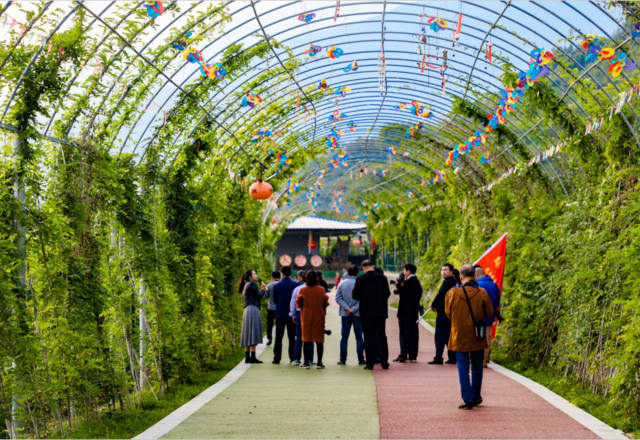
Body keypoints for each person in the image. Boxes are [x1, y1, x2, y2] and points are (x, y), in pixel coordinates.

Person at [445, 264, 494, 409]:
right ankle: (477, 395)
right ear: (474, 276)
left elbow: (448, 313)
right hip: (477, 335)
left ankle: (467, 398)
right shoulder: (482, 292)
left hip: (459, 335)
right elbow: (489, 312)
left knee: (463, 367)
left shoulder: (452, 293)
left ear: (460, 276)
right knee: (477, 367)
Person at [352, 259, 391, 370]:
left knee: (369, 338)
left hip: (366, 313)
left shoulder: (360, 279)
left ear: (364, 268)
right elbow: (387, 293)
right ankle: (384, 362)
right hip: (380, 312)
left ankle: (370, 363)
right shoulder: (382, 278)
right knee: (381, 336)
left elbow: (355, 295)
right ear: (372, 267)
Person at [297, 271, 330, 369]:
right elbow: (325, 302)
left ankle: (306, 362)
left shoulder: (303, 290)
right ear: (316, 278)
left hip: (306, 316)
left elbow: (298, 303)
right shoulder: (321, 289)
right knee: (319, 339)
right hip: (319, 315)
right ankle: (319, 362)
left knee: (306, 339)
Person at [335, 265, 365, 365]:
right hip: (357, 314)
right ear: (357, 273)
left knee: (344, 338)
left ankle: (342, 359)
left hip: (345, 314)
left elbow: (338, 298)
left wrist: (347, 308)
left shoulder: (342, 283)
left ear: (347, 273)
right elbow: (363, 299)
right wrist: (354, 309)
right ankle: (361, 359)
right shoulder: (360, 283)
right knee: (359, 338)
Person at [429, 263, 458, 365]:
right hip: (450, 313)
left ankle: (438, 357)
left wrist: (433, 304)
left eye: (446, 270)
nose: (443, 272)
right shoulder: (454, 282)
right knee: (448, 335)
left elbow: (440, 294)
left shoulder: (448, 282)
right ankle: (452, 357)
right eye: (442, 270)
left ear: (451, 271)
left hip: (444, 313)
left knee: (440, 335)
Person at [394, 264, 423, 363]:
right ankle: (412, 354)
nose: (404, 272)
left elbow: (403, 294)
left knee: (404, 333)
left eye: (404, 270)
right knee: (413, 334)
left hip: (405, 313)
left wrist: (398, 285)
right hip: (413, 312)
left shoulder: (409, 282)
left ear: (408, 271)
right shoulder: (417, 282)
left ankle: (403, 354)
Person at [239, 269, 266, 364]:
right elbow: (259, 296)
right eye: (255, 274)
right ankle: (253, 357)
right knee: (253, 331)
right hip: (253, 309)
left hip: (247, 310)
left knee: (248, 332)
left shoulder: (246, 285)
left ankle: (247, 357)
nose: (256, 275)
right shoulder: (252, 285)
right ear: (250, 276)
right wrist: (263, 289)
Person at [474, 265, 500, 367]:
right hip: (490, 315)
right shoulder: (494, 284)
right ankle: (485, 360)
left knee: (476, 337)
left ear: (476, 275)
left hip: (478, 315)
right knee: (487, 337)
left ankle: (476, 360)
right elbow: (497, 302)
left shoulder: (477, 285)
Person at [272, 266, 298, 364]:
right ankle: (292, 357)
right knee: (292, 337)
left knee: (279, 337)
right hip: (292, 315)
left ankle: (277, 358)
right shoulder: (295, 285)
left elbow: (275, 300)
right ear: (290, 274)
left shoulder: (277, 286)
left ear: (281, 274)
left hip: (280, 314)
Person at [290, 270, 308, 365]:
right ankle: (309, 359)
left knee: (299, 337)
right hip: (310, 314)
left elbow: (293, 303)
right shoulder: (317, 289)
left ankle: (297, 359)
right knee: (310, 338)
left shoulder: (297, 289)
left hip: (299, 313)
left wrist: (292, 314)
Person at [264, 270, 281, 345]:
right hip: (279, 308)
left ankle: (269, 339)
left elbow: (265, 296)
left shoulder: (269, 285)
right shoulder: (281, 285)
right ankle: (279, 340)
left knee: (270, 324)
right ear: (280, 277)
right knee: (279, 325)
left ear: (272, 277)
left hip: (270, 308)